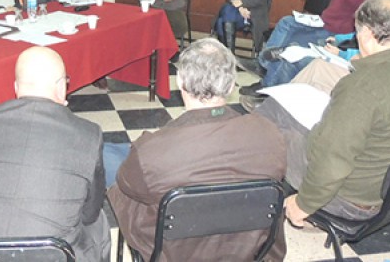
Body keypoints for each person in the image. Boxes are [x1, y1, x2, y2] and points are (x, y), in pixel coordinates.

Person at [256, 0, 390, 225]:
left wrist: (304, 204)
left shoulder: (362, 86)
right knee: (283, 112)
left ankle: (241, 192)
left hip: (350, 199)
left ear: (367, 34)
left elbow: (333, 160)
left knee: (268, 120)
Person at [108, 38, 286, 261]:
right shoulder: (271, 135)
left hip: (173, 252)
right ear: (231, 84)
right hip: (249, 247)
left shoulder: (151, 151)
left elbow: (127, 186)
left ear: (180, 80)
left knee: (115, 174)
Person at [0, 46, 110, 262]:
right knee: (99, 220)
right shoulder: (88, 133)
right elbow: (90, 212)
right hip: (55, 255)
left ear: (16, 87)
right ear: (61, 86)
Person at [250, 0, 376, 90]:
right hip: (322, 24)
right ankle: (263, 63)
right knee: (286, 22)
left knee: (290, 45)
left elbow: (369, 20)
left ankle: (266, 82)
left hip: (333, 32)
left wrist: (342, 32)